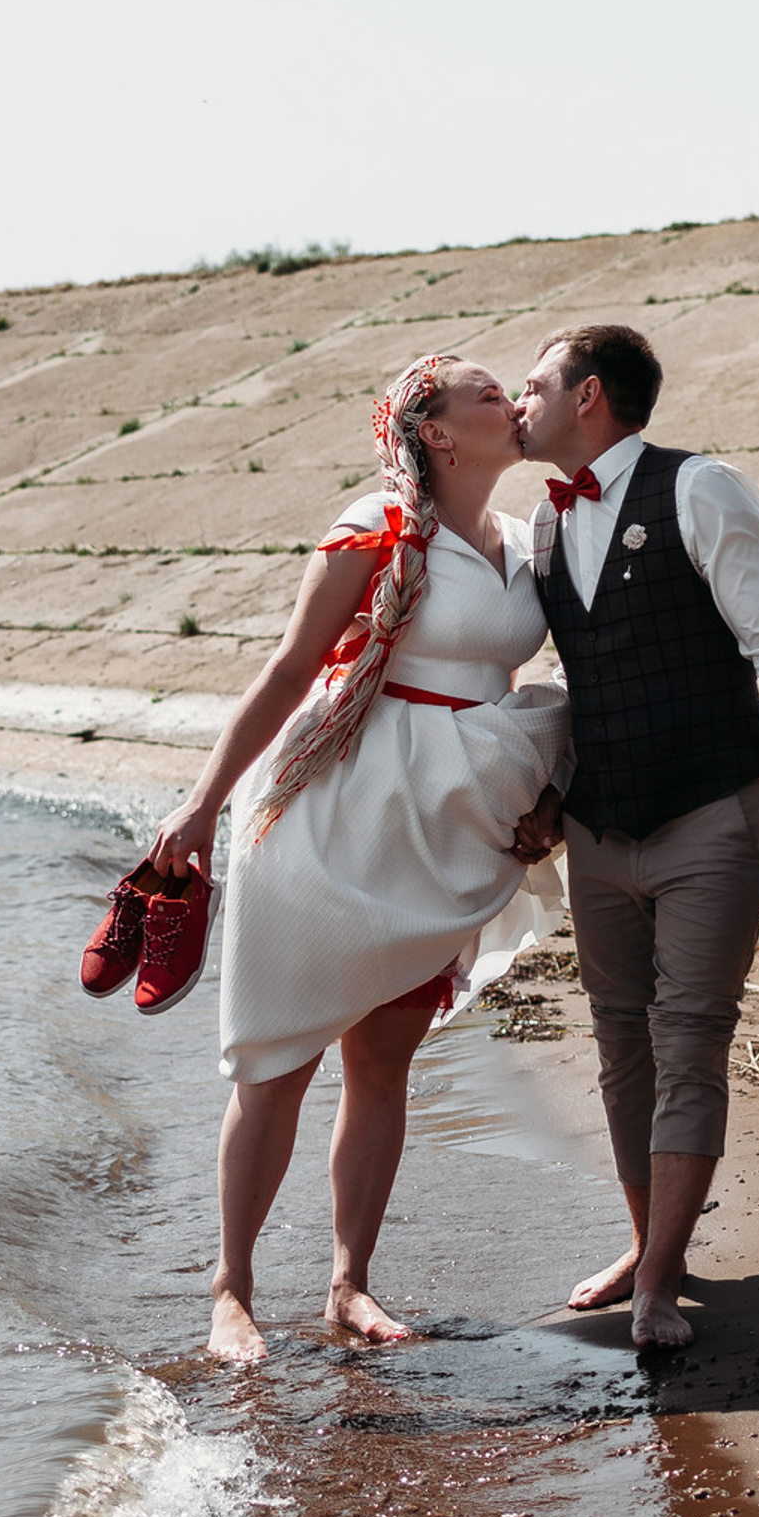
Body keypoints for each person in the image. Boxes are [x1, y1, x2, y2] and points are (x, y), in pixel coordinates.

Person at [148, 356, 569, 1363]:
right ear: (434, 432)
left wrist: (543, 799)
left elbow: (505, 687)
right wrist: (202, 804)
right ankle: (231, 1290)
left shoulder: (522, 541)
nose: (509, 403)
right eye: (483, 394)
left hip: (444, 824)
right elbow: (291, 667)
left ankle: (348, 1285)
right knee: (278, 1062)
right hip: (334, 816)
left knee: (383, 1060)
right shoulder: (373, 527)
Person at [511, 324, 759, 1347]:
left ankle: (659, 1281)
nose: (520, 405)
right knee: (619, 1041)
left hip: (709, 812)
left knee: (689, 1040)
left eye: (535, 386)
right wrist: (553, 788)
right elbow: (591, 678)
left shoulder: (701, 488)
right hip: (597, 827)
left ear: (590, 397)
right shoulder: (541, 525)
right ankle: (647, 1241)